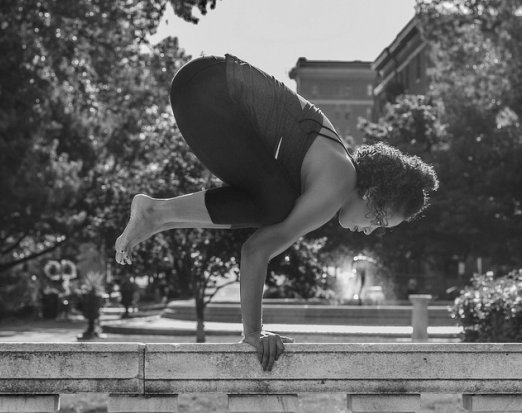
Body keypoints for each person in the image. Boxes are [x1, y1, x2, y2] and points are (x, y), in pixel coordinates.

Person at [114, 54, 439, 371]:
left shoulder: (331, 166)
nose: (370, 232)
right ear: (372, 194)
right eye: (378, 221)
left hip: (201, 85)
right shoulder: (338, 181)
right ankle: (155, 213)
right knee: (275, 206)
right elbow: (256, 249)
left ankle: (156, 214)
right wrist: (253, 333)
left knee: (276, 201)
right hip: (209, 90)